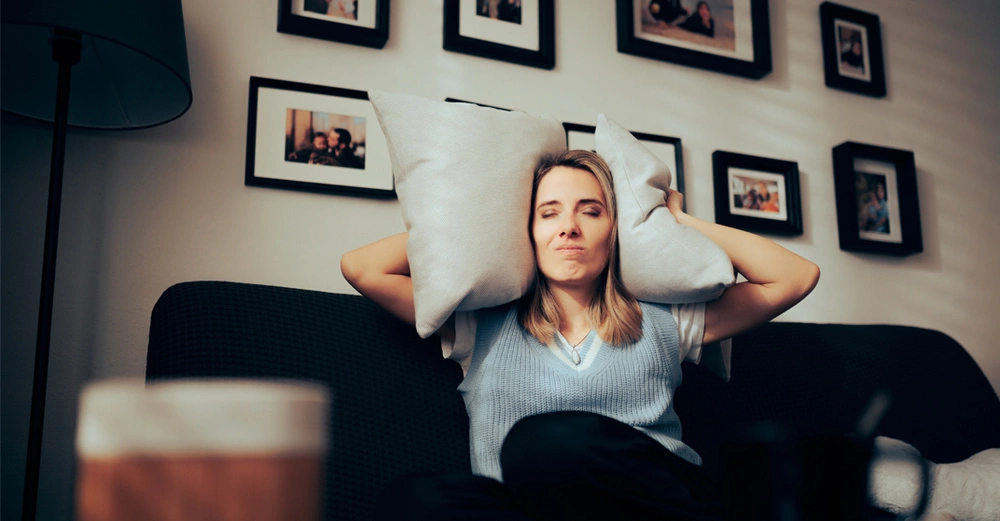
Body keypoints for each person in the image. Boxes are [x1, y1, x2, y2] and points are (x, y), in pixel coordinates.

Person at [341, 150, 820, 520]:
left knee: (546, 442)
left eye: (590, 211)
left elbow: (794, 277)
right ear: (523, 231)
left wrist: (676, 222)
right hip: (525, 511)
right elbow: (362, 268)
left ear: (615, 230)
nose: (568, 228)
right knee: (415, 499)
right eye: (548, 213)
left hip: (651, 504)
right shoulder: (478, 322)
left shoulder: (664, 320)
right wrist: (480, 223)